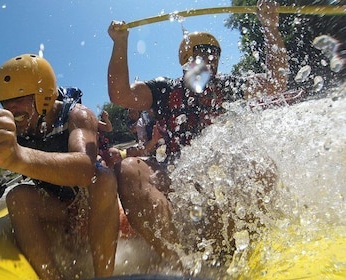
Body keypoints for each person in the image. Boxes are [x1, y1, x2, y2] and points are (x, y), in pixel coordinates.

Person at [107, 0, 288, 270]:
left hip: (219, 171)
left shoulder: (227, 86)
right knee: (128, 169)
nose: (210, 58)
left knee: (261, 166)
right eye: (203, 52)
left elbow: (275, 83)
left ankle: (245, 251)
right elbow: (120, 94)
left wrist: (270, 28)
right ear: (187, 60)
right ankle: (178, 265)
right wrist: (120, 42)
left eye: (214, 52)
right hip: (174, 171)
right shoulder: (164, 89)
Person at [0, 54, 119, 279]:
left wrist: (18, 156)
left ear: (44, 96)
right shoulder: (14, 126)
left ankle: (105, 276)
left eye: (18, 99)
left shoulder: (77, 115)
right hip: (56, 208)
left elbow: (85, 169)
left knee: (104, 178)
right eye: (4, 102)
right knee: (17, 196)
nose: (10, 109)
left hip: (90, 206)